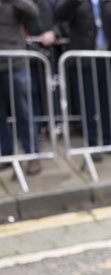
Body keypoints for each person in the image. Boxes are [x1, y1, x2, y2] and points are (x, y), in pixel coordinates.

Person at [55, 0, 111, 162]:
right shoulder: (79, 3)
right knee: (88, 104)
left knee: (107, 103)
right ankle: (91, 144)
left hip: (107, 59)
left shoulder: (109, 3)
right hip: (85, 61)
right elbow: (60, 15)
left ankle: (108, 142)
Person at [0, 0, 42, 175]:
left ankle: (32, 154)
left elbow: (33, 12)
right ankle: (7, 154)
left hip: (15, 64)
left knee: (24, 112)